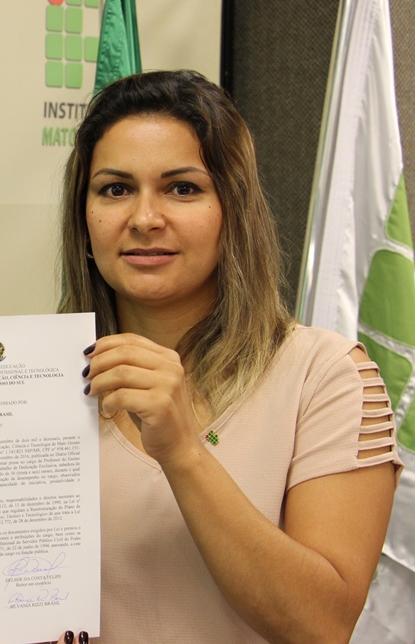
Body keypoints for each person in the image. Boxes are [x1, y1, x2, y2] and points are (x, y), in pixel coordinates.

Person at [60, 70, 402, 642]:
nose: (144, 219)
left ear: (233, 209)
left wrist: (183, 451)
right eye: (115, 189)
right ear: (84, 218)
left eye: (182, 188)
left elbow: (321, 627)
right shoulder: (39, 383)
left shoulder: (325, 376)